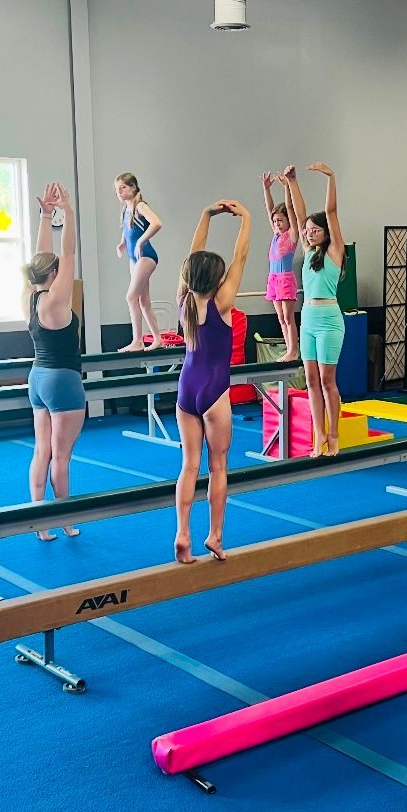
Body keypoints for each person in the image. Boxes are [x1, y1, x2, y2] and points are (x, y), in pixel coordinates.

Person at [173, 200, 252, 565]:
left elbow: (192, 257)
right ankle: (215, 536)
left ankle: (182, 533)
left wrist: (203, 215)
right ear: (217, 279)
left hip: (187, 388)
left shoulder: (183, 299)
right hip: (216, 389)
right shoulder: (223, 302)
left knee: (189, 465)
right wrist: (247, 219)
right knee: (218, 466)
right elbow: (242, 256)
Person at [23, 182, 86, 541]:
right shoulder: (57, 300)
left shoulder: (31, 298)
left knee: (41, 450)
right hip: (63, 381)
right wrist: (70, 213)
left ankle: (39, 521)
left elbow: (41, 257)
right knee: (61, 456)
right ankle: (65, 519)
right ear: (53, 276)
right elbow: (68, 252)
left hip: (37, 378)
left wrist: (47, 215)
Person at [283, 162, 345, 457]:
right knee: (309, 381)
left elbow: (330, 212)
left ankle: (334, 435)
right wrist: (293, 182)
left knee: (326, 380)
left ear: (325, 233)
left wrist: (331, 177)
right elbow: (297, 213)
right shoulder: (307, 252)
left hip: (330, 319)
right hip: (307, 317)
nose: (308, 234)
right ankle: (318, 434)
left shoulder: (335, 252)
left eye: (314, 230)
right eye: (306, 231)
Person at [115, 172, 162, 352]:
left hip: (146, 256)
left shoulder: (140, 205)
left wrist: (142, 241)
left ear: (133, 188)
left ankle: (138, 341)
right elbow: (128, 231)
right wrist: (122, 244)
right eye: (117, 189)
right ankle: (157, 339)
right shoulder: (126, 210)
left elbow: (157, 223)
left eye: (123, 188)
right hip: (134, 258)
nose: (119, 192)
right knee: (143, 301)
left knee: (130, 297)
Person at [261, 169, 300, 361]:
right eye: (275, 221)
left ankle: (294, 350)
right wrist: (266, 189)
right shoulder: (276, 235)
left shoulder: (291, 236)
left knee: (288, 317)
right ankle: (289, 350)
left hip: (285, 279)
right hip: (273, 279)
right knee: (280, 318)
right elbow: (270, 210)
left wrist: (286, 187)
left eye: (280, 221)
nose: (276, 223)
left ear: (287, 222)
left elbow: (291, 209)